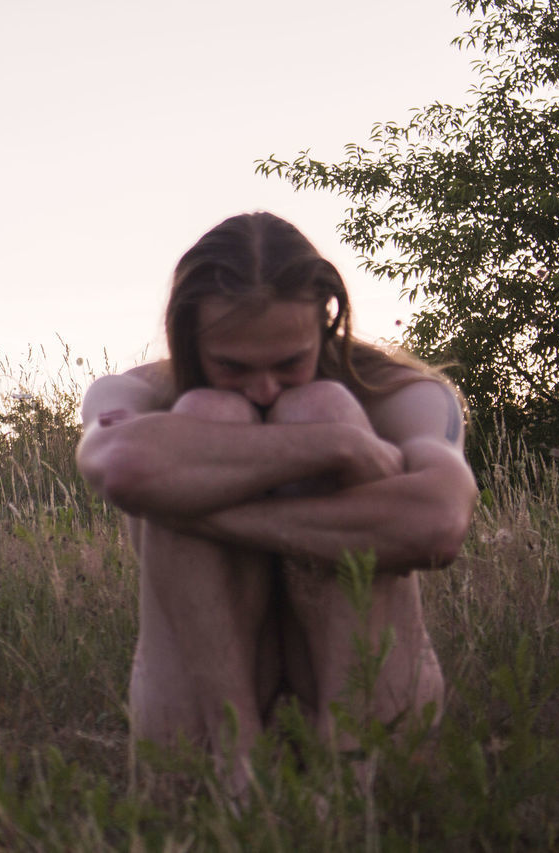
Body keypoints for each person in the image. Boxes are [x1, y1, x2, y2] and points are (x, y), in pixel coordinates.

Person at [76, 212, 477, 787]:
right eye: (231, 365)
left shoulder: (399, 391)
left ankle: (346, 767)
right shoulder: (138, 391)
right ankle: (237, 760)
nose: (264, 388)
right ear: (189, 338)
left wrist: (192, 502)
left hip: (374, 714)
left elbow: (438, 523)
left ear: (326, 323)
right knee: (206, 417)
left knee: (323, 402)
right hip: (197, 728)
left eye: (290, 362)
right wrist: (337, 446)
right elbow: (125, 466)